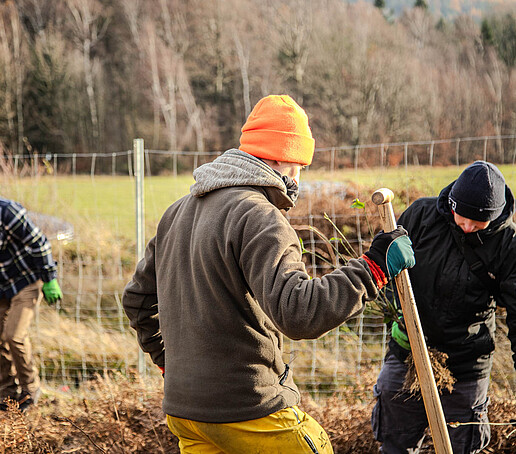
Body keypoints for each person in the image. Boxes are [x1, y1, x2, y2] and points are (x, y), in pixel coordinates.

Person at [123, 94, 415, 454]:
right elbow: (299, 313)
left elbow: (136, 300)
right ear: (281, 157)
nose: (299, 176)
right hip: (248, 410)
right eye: (300, 165)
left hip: (187, 415)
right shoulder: (258, 216)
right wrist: (375, 267)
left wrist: (171, 366)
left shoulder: (177, 212)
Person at [371, 160, 516, 454]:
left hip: (466, 362)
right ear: (452, 204)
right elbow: (385, 267)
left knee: (462, 444)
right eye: (462, 217)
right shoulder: (421, 216)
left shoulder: (507, 244)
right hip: (408, 349)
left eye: (479, 223)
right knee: (395, 441)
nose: (467, 227)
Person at [0, 198, 62, 412]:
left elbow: (39, 242)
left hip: (26, 279)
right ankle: (7, 392)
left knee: (14, 335)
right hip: (1, 284)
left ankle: (30, 390)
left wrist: (49, 278)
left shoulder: (7, 212)